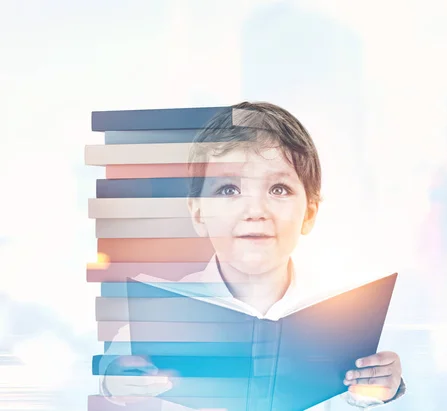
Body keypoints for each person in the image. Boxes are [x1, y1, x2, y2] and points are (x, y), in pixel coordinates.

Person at [99, 102, 406, 410]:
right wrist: (116, 382)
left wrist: (381, 388)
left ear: (309, 213)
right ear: (198, 214)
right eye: (229, 190)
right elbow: (117, 372)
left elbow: (364, 395)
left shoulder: (348, 320)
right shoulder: (159, 320)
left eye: (279, 189)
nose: (255, 211)